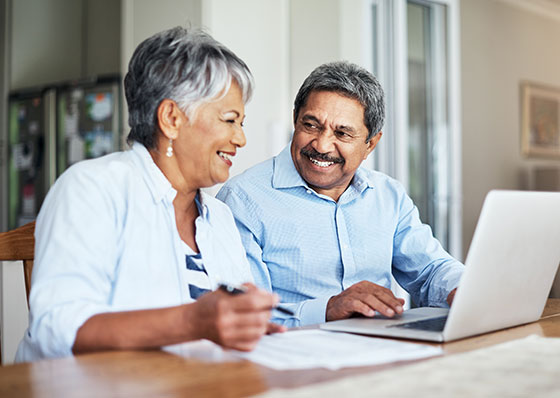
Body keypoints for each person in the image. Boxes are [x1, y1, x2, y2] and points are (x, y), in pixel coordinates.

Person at [16, 27, 284, 362]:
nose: (240, 139)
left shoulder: (220, 218)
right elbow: (55, 330)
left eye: (241, 123)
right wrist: (193, 321)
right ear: (171, 118)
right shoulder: (91, 189)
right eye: (230, 120)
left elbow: (225, 322)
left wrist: (245, 323)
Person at [217, 61, 464, 327]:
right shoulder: (242, 200)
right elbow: (242, 315)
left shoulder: (388, 195)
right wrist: (328, 309)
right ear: (295, 120)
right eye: (311, 125)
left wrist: (463, 289)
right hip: (293, 359)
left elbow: (430, 270)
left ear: (371, 144)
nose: (322, 145)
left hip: (383, 351)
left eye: (342, 133)